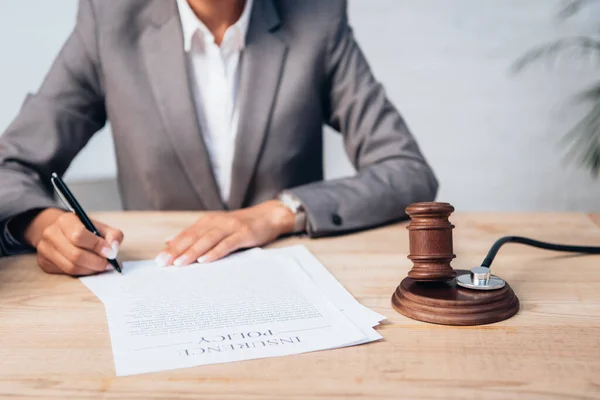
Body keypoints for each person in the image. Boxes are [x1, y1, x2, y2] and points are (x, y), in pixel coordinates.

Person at [0, 0, 438, 275]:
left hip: (291, 292)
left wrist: (277, 213)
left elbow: (407, 171)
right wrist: (43, 225)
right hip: (156, 283)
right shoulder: (109, 19)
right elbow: (11, 164)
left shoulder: (318, 18)